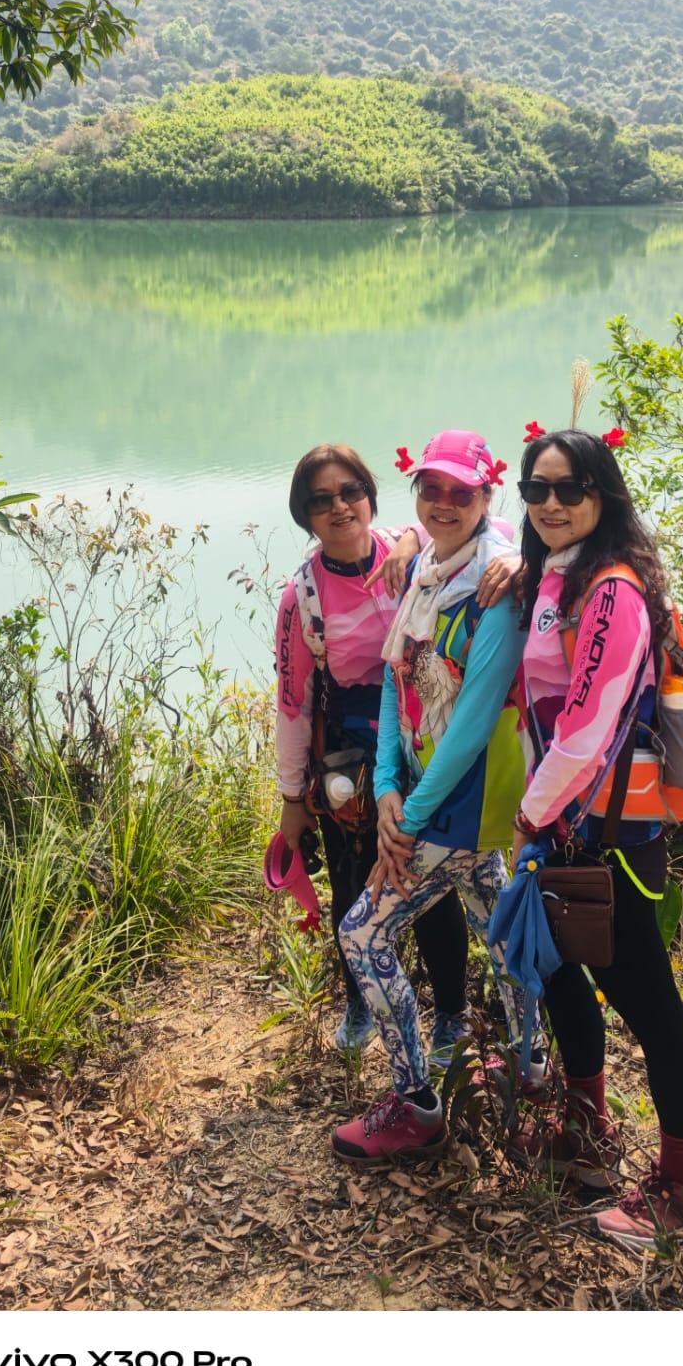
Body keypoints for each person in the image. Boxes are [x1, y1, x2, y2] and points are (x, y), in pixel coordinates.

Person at [510, 426, 683, 1248]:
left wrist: (529, 815)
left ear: (604, 494)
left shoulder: (612, 592)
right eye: (537, 489)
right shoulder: (555, 578)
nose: (552, 503)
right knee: (562, 976)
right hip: (569, 830)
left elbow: (588, 726)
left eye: (572, 488)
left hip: (613, 836)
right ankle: (587, 1136)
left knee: (648, 1003)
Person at [331, 429, 530, 1165]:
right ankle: (532, 1069)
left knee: (363, 935)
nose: (444, 503)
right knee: (500, 932)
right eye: (432, 489)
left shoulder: (494, 592)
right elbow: (395, 681)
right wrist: (386, 784)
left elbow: (471, 726)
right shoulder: (425, 572)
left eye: (461, 492)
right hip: (430, 795)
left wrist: (407, 822)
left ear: (486, 498)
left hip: (463, 803)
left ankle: (417, 1104)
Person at [275, 443, 470, 1068]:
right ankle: (362, 1002)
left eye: (350, 491)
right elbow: (293, 704)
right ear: (304, 515)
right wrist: (291, 798)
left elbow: (471, 525)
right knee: (355, 881)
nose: (339, 507)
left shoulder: (415, 551)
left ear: (369, 495)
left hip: (427, 739)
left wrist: (411, 542)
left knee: (431, 883)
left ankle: (452, 1013)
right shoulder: (302, 598)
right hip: (350, 764)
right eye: (321, 500)